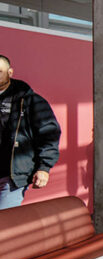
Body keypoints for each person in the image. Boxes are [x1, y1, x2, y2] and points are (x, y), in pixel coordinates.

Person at [0, 54, 61, 210]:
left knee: (4, 223)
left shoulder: (29, 100)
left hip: (12, 176)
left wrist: (44, 167)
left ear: (10, 72)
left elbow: (49, 133)